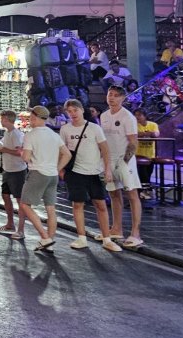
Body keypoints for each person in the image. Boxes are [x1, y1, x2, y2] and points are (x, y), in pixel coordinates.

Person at [59, 98, 120, 252]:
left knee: (100, 204)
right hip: (75, 172)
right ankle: (81, 237)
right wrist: (60, 169)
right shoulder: (65, 129)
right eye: (69, 111)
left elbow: (105, 149)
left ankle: (107, 238)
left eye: (75, 110)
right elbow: (62, 149)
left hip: (94, 171)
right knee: (77, 204)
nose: (72, 114)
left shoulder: (94, 128)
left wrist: (107, 169)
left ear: (81, 110)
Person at [18, 105, 70, 251]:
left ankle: (45, 237)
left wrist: (21, 152)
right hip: (52, 175)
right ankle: (49, 241)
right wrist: (57, 168)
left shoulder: (31, 135)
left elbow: (27, 158)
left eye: (30, 117)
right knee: (51, 208)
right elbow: (67, 154)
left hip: (37, 173)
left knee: (25, 205)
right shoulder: (54, 135)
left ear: (34, 117)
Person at [99, 86, 143, 248]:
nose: (112, 98)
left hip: (124, 160)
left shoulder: (127, 117)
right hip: (109, 160)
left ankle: (135, 233)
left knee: (132, 195)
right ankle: (116, 228)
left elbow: (133, 142)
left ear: (122, 98)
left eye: (116, 96)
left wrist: (125, 161)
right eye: (110, 94)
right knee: (114, 194)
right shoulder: (103, 116)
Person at [0, 110, 28, 239]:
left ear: (7, 120)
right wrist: (1, 148)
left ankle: (21, 229)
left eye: (2, 119)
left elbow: (20, 152)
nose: (0, 121)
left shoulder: (16, 134)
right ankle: (10, 223)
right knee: (5, 196)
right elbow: (4, 146)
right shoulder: (7, 134)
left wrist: (4, 150)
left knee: (20, 200)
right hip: (7, 170)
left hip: (17, 171)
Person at [134, 108, 159, 198]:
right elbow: (135, 134)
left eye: (139, 115)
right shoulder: (134, 125)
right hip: (138, 154)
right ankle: (146, 190)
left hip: (150, 154)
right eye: (135, 115)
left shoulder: (153, 125)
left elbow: (156, 134)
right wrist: (148, 134)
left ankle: (145, 190)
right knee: (142, 172)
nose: (137, 117)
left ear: (145, 116)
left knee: (148, 172)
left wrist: (145, 134)